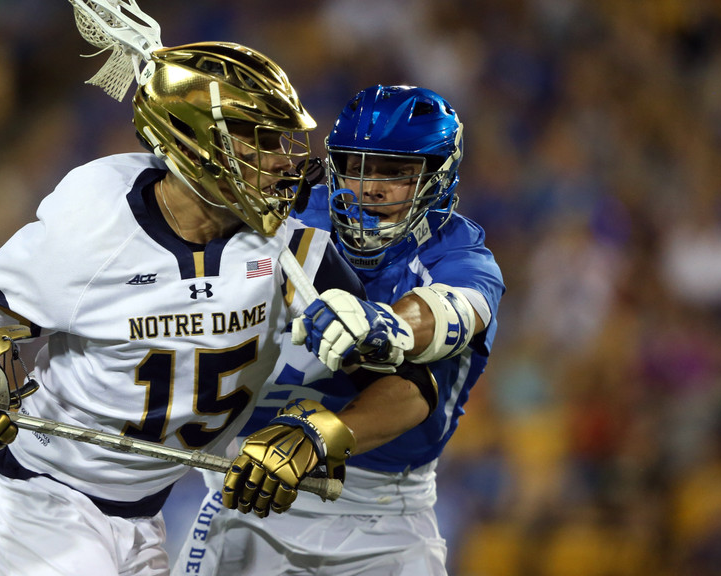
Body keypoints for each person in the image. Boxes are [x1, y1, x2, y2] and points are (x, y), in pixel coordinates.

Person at [0, 44, 430, 576]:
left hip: (145, 516)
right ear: (194, 146)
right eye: (260, 140)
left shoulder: (294, 251)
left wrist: (320, 437)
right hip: (42, 499)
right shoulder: (95, 224)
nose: (285, 159)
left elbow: (410, 385)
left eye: (283, 139)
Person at [172, 85, 505, 576]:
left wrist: (385, 324)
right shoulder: (287, 214)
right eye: (356, 166)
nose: (370, 187)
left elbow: (446, 316)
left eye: (394, 172)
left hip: (381, 516)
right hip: (251, 488)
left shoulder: (461, 257)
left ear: (437, 177)